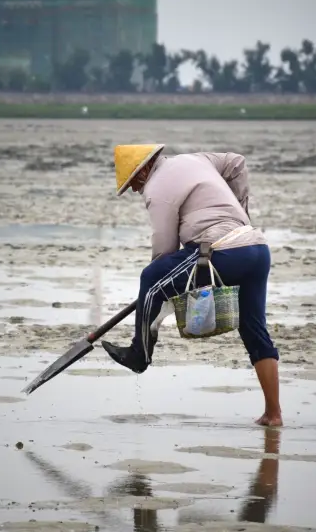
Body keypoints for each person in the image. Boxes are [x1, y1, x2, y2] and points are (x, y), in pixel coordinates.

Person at [100, 144, 282, 427]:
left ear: (144, 169)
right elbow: (236, 163)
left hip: (223, 252)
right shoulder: (196, 159)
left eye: (133, 182)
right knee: (254, 331)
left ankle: (139, 354)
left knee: (149, 278)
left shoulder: (156, 188)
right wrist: (240, 214)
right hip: (255, 247)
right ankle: (274, 414)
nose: (135, 190)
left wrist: (158, 286)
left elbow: (164, 247)